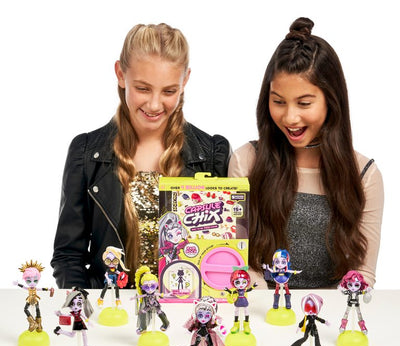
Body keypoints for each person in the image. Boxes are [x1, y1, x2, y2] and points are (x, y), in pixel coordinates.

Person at [52, 23, 231, 289]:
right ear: (120, 74)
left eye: (169, 91)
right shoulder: (87, 152)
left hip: (186, 308)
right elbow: (69, 257)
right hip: (110, 306)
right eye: (143, 89)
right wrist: (82, 304)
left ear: (185, 81)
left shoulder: (213, 153)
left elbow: (222, 254)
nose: (155, 104)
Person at [228, 17, 383, 288]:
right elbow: (239, 263)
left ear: (331, 101)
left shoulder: (364, 175)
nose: (290, 117)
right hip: (261, 306)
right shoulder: (246, 162)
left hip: (333, 310)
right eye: (278, 102)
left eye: (304, 103)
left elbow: (363, 276)